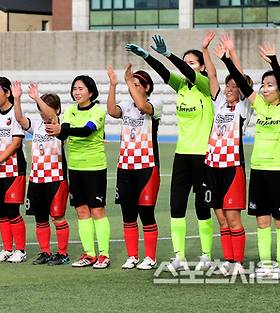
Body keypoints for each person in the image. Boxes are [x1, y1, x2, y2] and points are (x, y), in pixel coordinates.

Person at [125, 35, 215, 271]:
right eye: (187, 62)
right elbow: (165, 73)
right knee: (177, 205)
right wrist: (147, 56)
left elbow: (182, 68)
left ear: (202, 67)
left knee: (201, 207)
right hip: (182, 155)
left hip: (203, 155)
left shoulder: (205, 86)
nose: (188, 66)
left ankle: (206, 254)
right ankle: (179, 256)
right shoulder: (182, 86)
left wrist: (169, 54)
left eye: (193, 62)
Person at [218, 41, 280, 279]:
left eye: (270, 85)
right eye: (263, 85)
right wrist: (227, 60)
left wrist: (274, 62)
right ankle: (265, 263)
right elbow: (242, 83)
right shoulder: (260, 105)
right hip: (259, 170)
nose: (265, 89)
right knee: (262, 221)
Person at [46, 75, 112, 269]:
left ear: (90, 92)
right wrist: (60, 129)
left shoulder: (98, 111)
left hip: (94, 167)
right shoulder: (70, 111)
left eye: (81, 88)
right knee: (81, 211)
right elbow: (64, 131)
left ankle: (104, 254)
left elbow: (86, 131)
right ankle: (89, 254)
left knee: (97, 210)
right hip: (74, 167)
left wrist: (62, 129)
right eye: (74, 88)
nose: (77, 92)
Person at [201, 32, 251, 276]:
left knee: (233, 220)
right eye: (228, 85)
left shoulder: (243, 107)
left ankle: (238, 262)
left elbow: (241, 80)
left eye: (234, 86)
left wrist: (232, 54)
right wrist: (205, 50)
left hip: (232, 168)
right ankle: (229, 261)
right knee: (221, 221)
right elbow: (211, 75)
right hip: (212, 167)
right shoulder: (219, 102)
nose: (230, 89)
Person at [107, 64, 161, 270]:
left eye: (137, 84)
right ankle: (132, 256)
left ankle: (150, 257)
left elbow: (143, 108)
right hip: (125, 167)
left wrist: (128, 81)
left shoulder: (155, 103)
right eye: (132, 84)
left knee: (146, 213)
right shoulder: (126, 105)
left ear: (146, 88)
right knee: (128, 214)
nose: (132, 87)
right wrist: (113, 85)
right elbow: (112, 111)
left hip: (147, 167)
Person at [12, 82, 71, 266]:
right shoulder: (36, 126)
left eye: (44, 109)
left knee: (58, 217)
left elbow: (52, 115)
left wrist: (37, 98)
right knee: (40, 218)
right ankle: (45, 251)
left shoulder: (59, 125)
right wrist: (16, 98)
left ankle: (62, 253)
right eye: (39, 109)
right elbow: (20, 119)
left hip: (56, 179)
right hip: (36, 179)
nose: (42, 113)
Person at [0, 77, 28, 263]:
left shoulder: (15, 114)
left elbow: (16, 142)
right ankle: (7, 248)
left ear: (7, 93)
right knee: (0, 210)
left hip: (14, 168)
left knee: (12, 210)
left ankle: (21, 250)